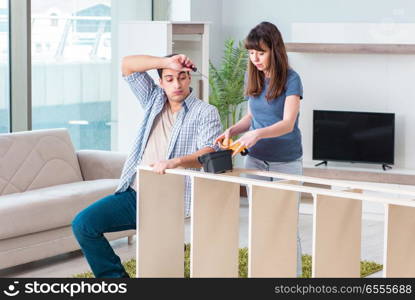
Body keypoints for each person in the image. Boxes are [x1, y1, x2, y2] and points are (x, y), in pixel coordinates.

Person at [72, 54, 222, 278]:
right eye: (169, 78)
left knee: (161, 266)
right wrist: (165, 63)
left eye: (182, 77)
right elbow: (127, 65)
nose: (177, 84)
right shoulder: (153, 99)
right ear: (161, 82)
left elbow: (210, 151)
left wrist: (176, 162)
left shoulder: (205, 112)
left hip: (170, 198)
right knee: (84, 224)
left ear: (189, 78)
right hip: (135, 192)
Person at [215, 21, 304, 277]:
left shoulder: (292, 79)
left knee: (286, 224)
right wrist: (233, 130)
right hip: (255, 161)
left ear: (274, 50)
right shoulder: (252, 75)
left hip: (286, 161)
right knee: (261, 222)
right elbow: (252, 118)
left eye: (261, 52)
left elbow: (287, 124)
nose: (255, 58)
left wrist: (257, 134)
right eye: (251, 53)